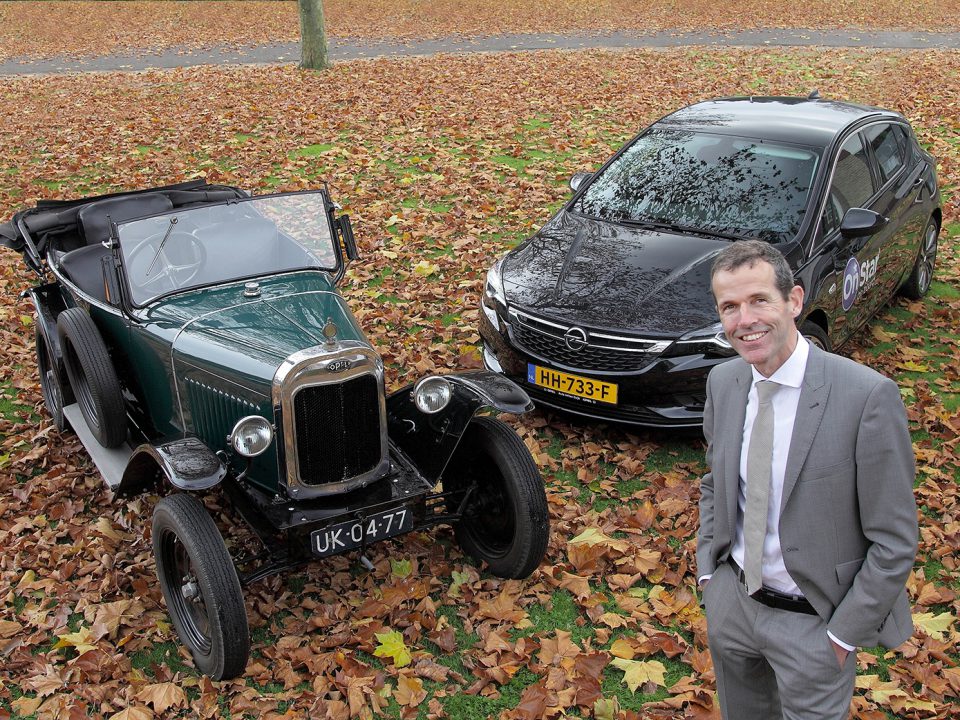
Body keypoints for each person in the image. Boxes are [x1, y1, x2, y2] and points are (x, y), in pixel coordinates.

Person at [696, 239, 918, 719]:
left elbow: (895, 540)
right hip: (734, 605)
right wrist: (709, 575)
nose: (745, 320)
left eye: (759, 300)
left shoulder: (867, 398)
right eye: (729, 307)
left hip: (815, 626)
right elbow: (716, 484)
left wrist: (841, 635)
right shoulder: (725, 383)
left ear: (794, 301)